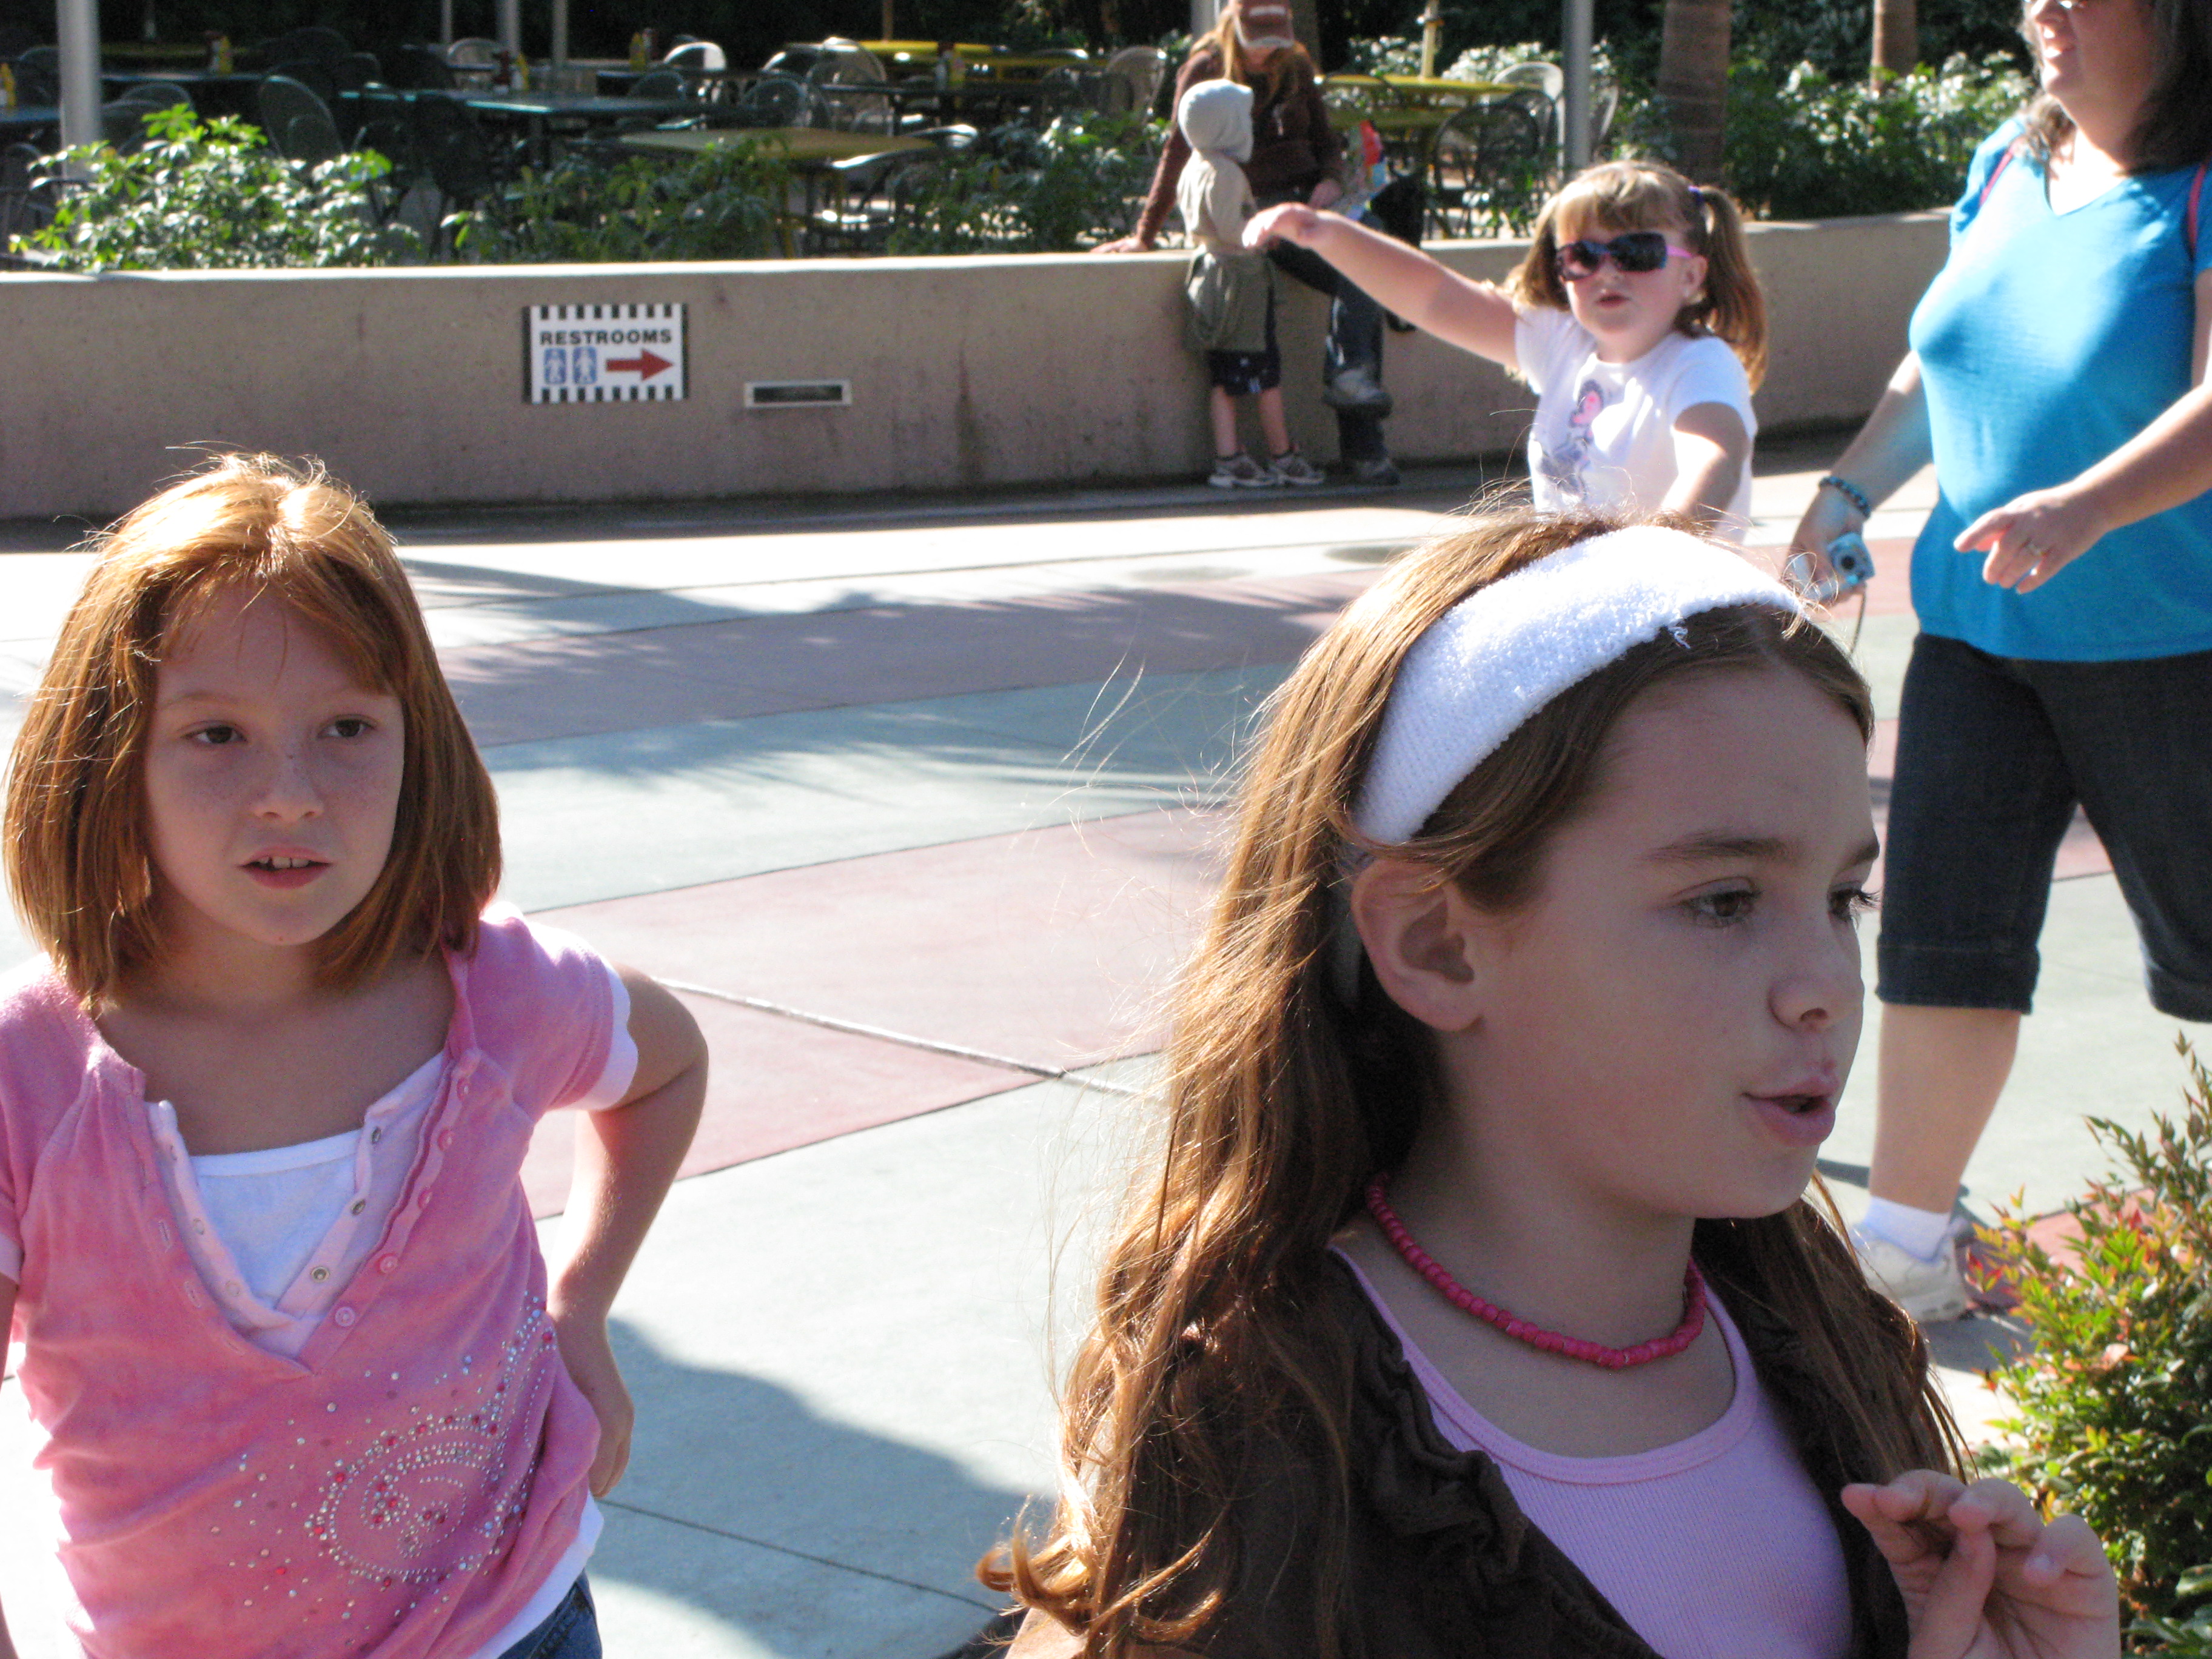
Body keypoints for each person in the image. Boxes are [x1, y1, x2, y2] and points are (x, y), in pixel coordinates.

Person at [985, 510, 2120, 1658]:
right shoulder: (1259, 1432)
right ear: (1438, 945)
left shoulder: (1812, 1319)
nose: (1826, 983)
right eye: (1723, 901)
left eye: (1843, 899)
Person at [0, 455, 707, 1658]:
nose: (290, 793)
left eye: (346, 728)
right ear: (110, 758)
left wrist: (581, 1305)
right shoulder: (31, 1082)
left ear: (416, 743)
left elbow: (668, 1064)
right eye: (215, 734)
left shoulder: (496, 996)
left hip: (511, 1625)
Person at [1791, 0, 2212, 1322]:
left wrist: (2084, 508)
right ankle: (1905, 1254)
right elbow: (1937, 364)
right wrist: (1847, 492)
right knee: (1941, 943)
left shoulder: (2198, 185)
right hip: (1978, 640)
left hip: (2174, 642)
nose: (2044, 7)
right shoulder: (2003, 164)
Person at [1246, 158, 1768, 533]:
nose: (1609, 271)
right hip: (1589, 607)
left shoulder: (1699, 364)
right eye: (1583, 256)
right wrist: (1326, 233)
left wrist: (1662, 550)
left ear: (1691, 275)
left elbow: (1716, 455)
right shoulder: (1565, 342)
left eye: (1637, 252)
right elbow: (1435, 297)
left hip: (1676, 618)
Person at [1099, 0, 1402, 486]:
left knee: (1369, 257)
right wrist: (1144, 234)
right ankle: (1362, 432)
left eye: (1275, 41)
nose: (1265, 53)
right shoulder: (1205, 67)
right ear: (1233, 26)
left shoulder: (1296, 65)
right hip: (1257, 210)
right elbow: (1179, 149)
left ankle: (1355, 396)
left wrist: (1330, 179)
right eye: (1257, 41)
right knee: (1361, 271)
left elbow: (1326, 141)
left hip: (1311, 198)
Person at [1174, 78, 1324, 489]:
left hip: (1212, 275)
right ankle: (1282, 456)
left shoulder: (1195, 166)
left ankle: (1229, 457)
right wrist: (1266, 230)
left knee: (1224, 378)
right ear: (1226, 125)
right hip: (1240, 282)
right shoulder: (1225, 173)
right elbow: (1231, 228)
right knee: (1264, 375)